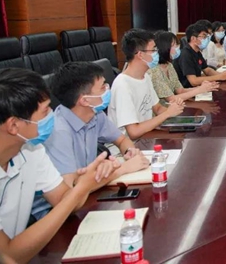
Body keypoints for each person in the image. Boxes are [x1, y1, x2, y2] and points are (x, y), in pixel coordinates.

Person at [0, 68, 117, 263]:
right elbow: (5, 255)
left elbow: (64, 200)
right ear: (13, 126)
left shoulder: (32, 150)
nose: (52, 116)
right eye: (46, 111)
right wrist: (82, 187)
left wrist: (85, 182)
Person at [35, 62, 151, 219]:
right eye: (103, 87)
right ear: (85, 100)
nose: (108, 90)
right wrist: (121, 169)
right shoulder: (58, 132)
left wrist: (130, 152)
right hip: (54, 215)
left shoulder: (95, 114)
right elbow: (69, 193)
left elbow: (122, 139)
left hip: (87, 196)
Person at [109, 29, 185, 140]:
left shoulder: (145, 77)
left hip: (147, 138)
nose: (157, 53)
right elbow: (134, 132)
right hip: (130, 146)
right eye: (153, 50)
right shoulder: (123, 85)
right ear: (140, 54)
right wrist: (167, 113)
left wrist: (174, 109)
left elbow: (157, 108)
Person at [149, 31, 219, 102]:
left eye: (178, 44)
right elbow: (171, 99)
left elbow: (180, 90)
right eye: (174, 45)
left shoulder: (169, 65)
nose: (178, 47)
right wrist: (199, 90)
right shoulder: (154, 70)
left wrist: (205, 87)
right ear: (164, 48)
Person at [178, 22, 226, 88]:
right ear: (193, 38)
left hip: (198, 87)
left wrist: (224, 75)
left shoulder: (197, 52)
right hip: (187, 90)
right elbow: (193, 81)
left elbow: (207, 70)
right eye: (204, 37)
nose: (207, 39)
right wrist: (218, 77)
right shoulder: (185, 54)